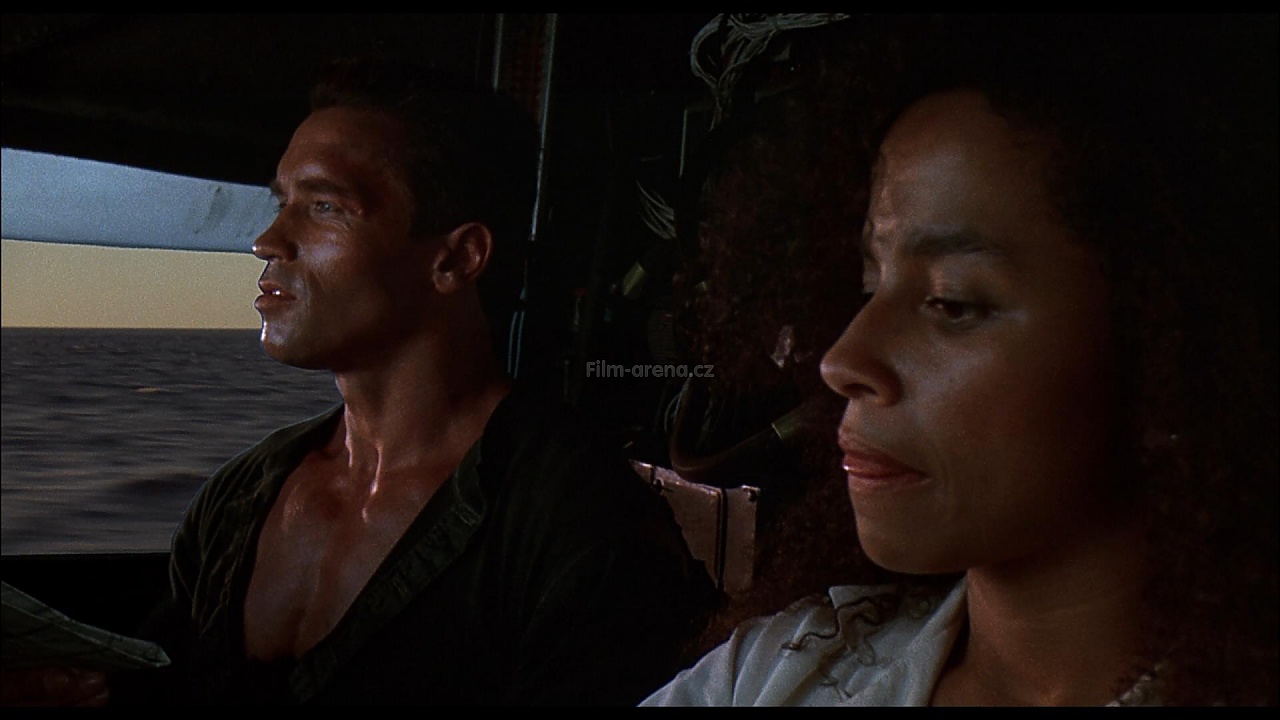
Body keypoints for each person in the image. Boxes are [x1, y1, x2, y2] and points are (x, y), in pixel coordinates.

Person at [6, 55, 720, 706]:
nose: (266, 240)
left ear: (456, 259)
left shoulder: (578, 528)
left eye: (324, 206)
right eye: (281, 202)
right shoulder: (240, 496)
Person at [644, 14, 1277, 706]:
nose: (842, 360)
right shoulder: (770, 674)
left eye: (951, 303)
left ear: (1177, 349)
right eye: (868, 287)